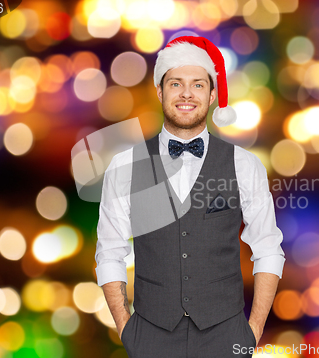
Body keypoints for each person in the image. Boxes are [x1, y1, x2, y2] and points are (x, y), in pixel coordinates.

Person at [95, 36, 285, 357]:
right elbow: (109, 253)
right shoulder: (125, 165)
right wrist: (127, 329)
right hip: (149, 337)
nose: (186, 93)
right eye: (175, 83)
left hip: (226, 336)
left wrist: (251, 332)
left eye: (198, 85)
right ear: (159, 90)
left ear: (212, 95)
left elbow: (267, 249)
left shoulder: (244, 164)